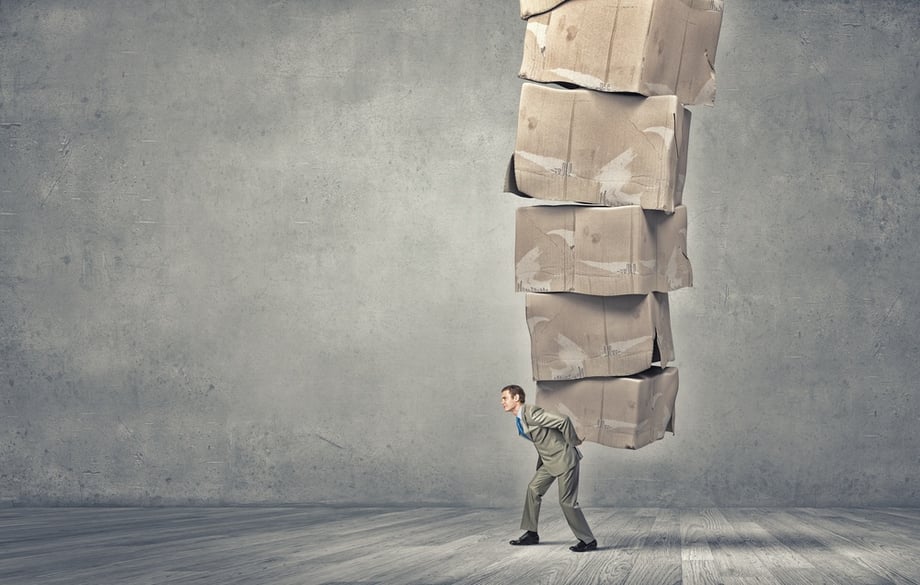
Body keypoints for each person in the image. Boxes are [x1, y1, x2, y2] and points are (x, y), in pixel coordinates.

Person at [500, 384, 598, 552]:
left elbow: (563, 421)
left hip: (565, 458)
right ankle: (531, 534)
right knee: (533, 489)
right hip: (549, 461)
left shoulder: (530, 413)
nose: (502, 402)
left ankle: (588, 541)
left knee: (567, 502)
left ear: (516, 398)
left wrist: (573, 442)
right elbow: (542, 440)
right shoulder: (520, 418)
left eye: (504, 398)